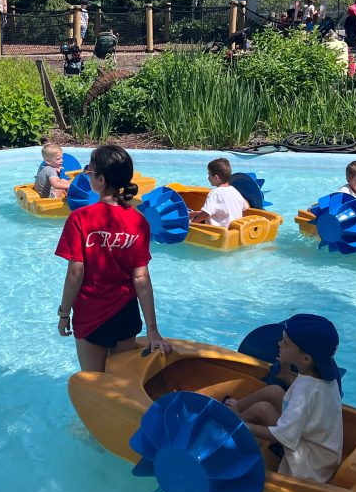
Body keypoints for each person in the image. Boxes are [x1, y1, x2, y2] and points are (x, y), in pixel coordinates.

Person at [54, 145, 172, 372]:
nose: (87, 174)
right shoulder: (139, 221)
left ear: (100, 179)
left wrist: (64, 313)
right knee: (121, 382)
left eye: (89, 170)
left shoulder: (80, 218)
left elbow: (75, 272)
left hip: (91, 313)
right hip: (125, 314)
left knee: (93, 381)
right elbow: (141, 277)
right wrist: (153, 330)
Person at [224, 314, 344, 484]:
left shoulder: (305, 392)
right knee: (274, 391)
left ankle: (233, 426)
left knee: (262, 409)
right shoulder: (325, 377)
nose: (279, 344)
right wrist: (287, 376)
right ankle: (232, 410)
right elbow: (310, 397)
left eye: (285, 343)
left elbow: (282, 436)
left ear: (306, 359)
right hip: (321, 454)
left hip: (307, 468)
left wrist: (245, 425)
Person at [188, 158, 248, 228]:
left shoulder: (215, 193)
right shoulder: (235, 191)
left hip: (218, 232)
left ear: (216, 178)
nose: (208, 178)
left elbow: (206, 214)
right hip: (234, 229)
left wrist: (192, 223)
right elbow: (244, 208)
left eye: (209, 175)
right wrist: (196, 213)